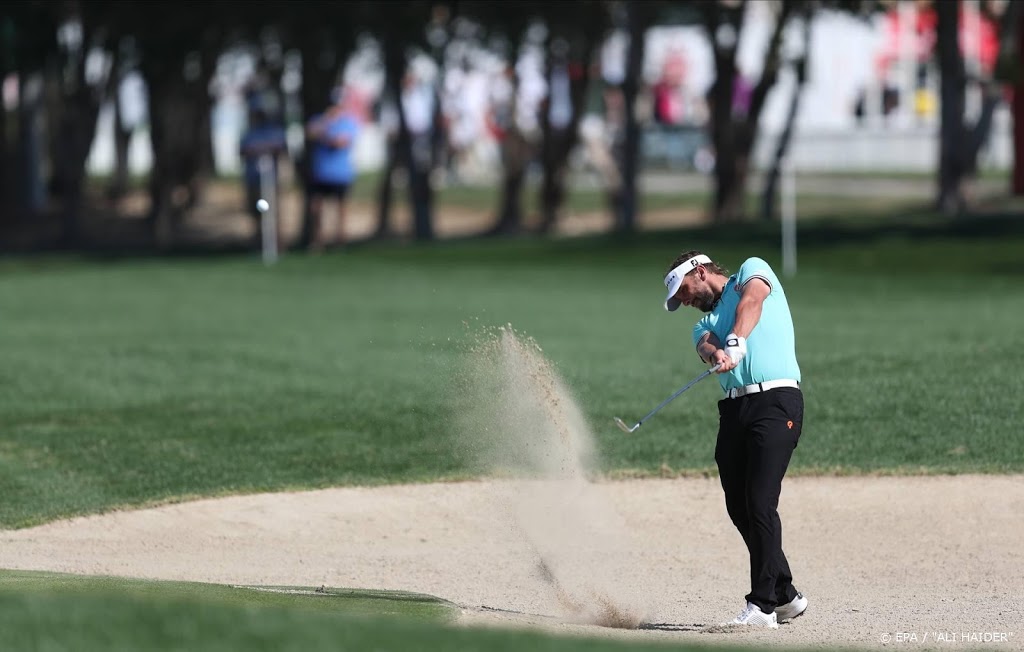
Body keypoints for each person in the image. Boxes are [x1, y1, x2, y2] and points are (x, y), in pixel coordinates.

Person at [663, 250, 808, 629]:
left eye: (684, 290)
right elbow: (706, 346)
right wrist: (717, 354)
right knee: (740, 507)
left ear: (700, 270)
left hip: (776, 401)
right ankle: (785, 594)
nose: (686, 300)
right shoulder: (702, 324)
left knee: (760, 502)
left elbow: (753, 300)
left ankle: (762, 606)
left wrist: (737, 340)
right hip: (734, 411)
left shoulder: (752, 269)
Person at [305, 87, 360, 252]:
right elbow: (311, 133)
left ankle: (340, 242)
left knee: (341, 209)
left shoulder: (348, 122)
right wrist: (326, 124)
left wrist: (325, 136)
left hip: (341, 174)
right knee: (316, 208)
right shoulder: (321, 120)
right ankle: (317, 242)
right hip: (321, 172)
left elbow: (340, 143)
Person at [239, 104, 288, 248]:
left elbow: (280, 148)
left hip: (271, 180)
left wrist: (260, 149)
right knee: (255, 214)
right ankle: (258, 244)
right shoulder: (249, 133)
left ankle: (278, 245)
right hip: (252, 178)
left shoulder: (275, 131)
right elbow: (243, 151)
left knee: (273, 214)